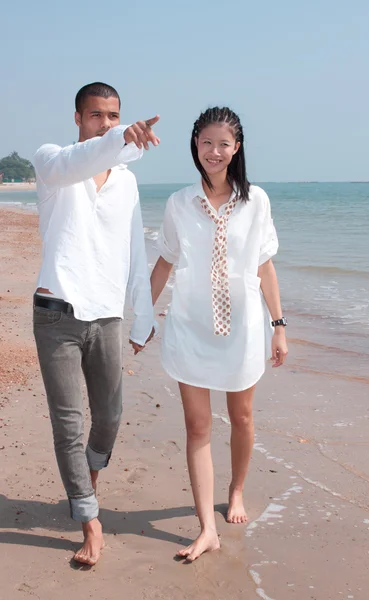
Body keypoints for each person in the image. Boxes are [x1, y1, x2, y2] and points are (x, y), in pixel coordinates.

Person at [150, 106, 288, 561]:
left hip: (245, 328)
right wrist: (140, 318)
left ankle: (237, 490)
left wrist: (279, 326)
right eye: (206, 142)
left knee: (242, 418)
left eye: (223, 143)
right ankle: (206, 528)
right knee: (197, 426)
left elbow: (264, 265)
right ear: (195, 145)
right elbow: (166, 261)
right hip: (189, 324)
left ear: (237, 148)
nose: (214, 151)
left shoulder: (257, 201)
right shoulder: (178, 203)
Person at [32, 82, 158, 566]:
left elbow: (134, 251)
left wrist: (141, 317)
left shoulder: (126, 179)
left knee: (109, 417)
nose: (105, 123)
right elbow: (80, 160)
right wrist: (125, 135)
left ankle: (86, 482)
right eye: (96, 115)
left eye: (114, 116)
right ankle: (90, 521)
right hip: (56, 315)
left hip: (105, 316)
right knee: (69, 423)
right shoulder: (52, 163)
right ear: (78, 118)